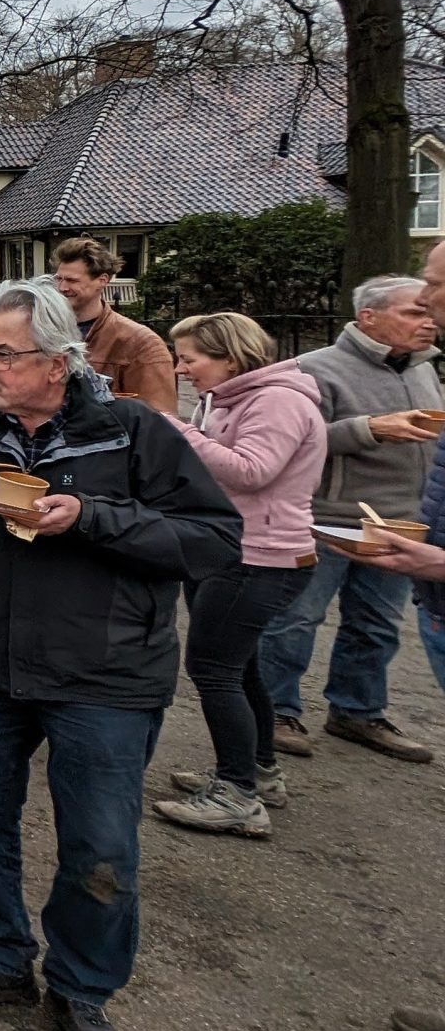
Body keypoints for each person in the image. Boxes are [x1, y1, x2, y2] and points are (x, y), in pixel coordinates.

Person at [0, 280, 239, 1031]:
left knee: (100, 845)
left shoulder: (130, 431)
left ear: (59, 362)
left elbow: (214, 539)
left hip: (105, 674)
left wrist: (89, 517)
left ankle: (83, 994)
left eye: (1, 354)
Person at [149, 313, 325, 838]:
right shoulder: (231, 398)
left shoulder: (277, 400)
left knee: (214, 670)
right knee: (240, 668)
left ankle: (237, 794)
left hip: (258, 555)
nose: (180, 370)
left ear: (229, 356)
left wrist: (176, 429)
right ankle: (258, 772)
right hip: (232, 549)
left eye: (189, 359)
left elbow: (251, 470)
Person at [253, 273, 441, 764]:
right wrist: (368, 429)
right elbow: (288, 441)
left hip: (400, 522)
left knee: (377, 624)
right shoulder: (313, 369)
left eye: (429, 310)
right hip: (327, 517)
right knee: (295, 620)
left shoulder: (423, 368)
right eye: (414, 311)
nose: (427, 321)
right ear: (368, 317)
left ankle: (357, 711)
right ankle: (275, 712)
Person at [50, 237, 178, 410]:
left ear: (102, 280)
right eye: (58, 279)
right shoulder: (41, 331)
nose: (62, 287)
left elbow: (159, 417)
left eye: (72, 280)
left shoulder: (141, 343)